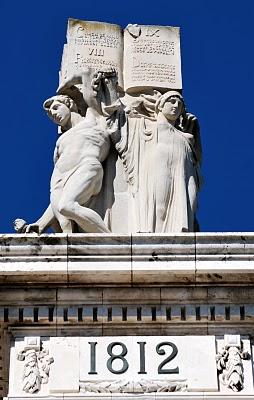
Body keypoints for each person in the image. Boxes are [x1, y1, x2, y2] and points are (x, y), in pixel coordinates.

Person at [15, 93, 111, 233]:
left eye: (56, 107)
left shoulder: (91, 118)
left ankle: (114, 243)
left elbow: (91, 91)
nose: (53, 114)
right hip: (58, 181)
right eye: (50, 114)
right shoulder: (61, 140)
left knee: (67, 206)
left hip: (87, 166)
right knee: (65, 223)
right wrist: (40, 225)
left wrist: (75, 77)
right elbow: (56, 204)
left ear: (69, 104)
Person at [153, 90, 202, 232]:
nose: (176, 106)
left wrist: (196, 131)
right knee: (161, 207)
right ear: (161, 106)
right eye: (172, 102)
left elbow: (197, 157)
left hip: (186, 173)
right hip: (163, 167)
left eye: (179, 104)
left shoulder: (188, 136)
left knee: (191, 205)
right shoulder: (154, 126)